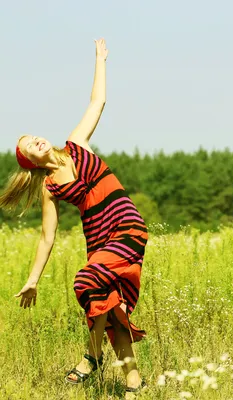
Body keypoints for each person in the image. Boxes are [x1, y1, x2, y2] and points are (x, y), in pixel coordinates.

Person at [0, 39, 148, 396]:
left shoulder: (76, 145)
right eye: (27, 145)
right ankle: (133, 383)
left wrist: (100, 60)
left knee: (85, 282)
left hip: (126, 225)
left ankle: (91, 358)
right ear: (29, 162)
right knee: (107, 308)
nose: (35, 140)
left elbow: (97, 103)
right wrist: (33, 279)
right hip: (98, 242)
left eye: (33, 136)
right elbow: (47, 238)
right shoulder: (50, 188)